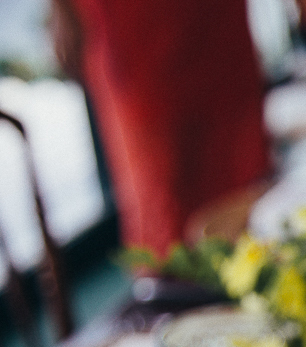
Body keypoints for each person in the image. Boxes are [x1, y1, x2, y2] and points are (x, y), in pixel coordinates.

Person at [52, 0, 272, 259]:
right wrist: (60, 8)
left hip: (214, 19)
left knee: (238, 163)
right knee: (161, 192)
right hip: (129, 26)